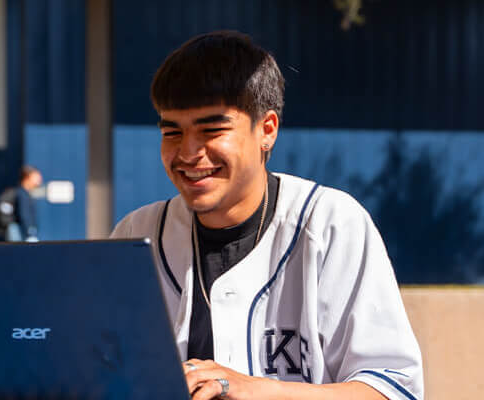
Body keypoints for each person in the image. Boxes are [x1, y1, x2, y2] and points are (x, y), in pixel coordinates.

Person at [110, 31, 424, 400]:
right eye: (172, 132)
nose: (189, 152)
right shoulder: (137, 233)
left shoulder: (329, 223)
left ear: (267, 130)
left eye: (212, 130)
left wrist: (259, 390)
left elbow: (393, 390)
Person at [0, 166, 42, 242]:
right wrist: (30, 232)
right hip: (20, 233)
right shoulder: (22, 194)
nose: (40, 179)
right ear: (27, 177)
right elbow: (24, 214)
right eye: (36, 177)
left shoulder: (25, 193)